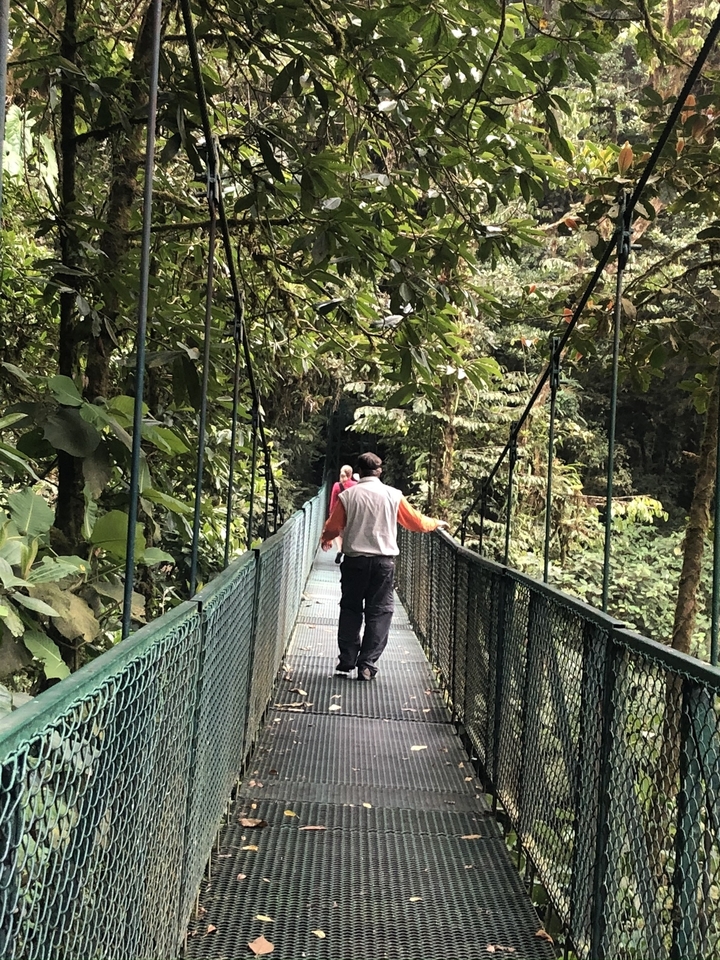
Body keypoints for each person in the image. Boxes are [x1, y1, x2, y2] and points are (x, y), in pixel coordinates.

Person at [321, 452, 448, 681]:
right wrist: (435, 523)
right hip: (383, 564)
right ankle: (367, 663)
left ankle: (347, 659)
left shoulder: (348, 496)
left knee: (350, 609)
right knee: (380, 612)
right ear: (380, 471)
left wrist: (327, 538)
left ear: (358, 471)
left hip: (355, 563)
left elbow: (333, 525)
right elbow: (417, 522)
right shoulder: (393, 495)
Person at [328, 465, 357, 563]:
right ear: (351, 474)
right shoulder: (356, 485)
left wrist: (331, 515)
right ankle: (350, 552)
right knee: (349, 533)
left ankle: (340, 549)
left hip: (339, 514)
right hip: (351, 514)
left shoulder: (337, 485)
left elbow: (333, 501)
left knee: (338, 534)